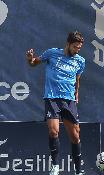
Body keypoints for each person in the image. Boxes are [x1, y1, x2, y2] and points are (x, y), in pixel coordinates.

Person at [26, 31, 86, 175]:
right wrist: (30, 59)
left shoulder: (80, 61)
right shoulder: (52, 53)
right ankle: (55, 166)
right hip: (52, 98)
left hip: (69, 100)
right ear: (68, 44)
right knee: (53, 131)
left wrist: (76, 93)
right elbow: (34, 63)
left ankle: (78, 171)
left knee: (75, 136)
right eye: (75, 47)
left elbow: (77, 78)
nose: (77, 50)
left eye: (79, 48)